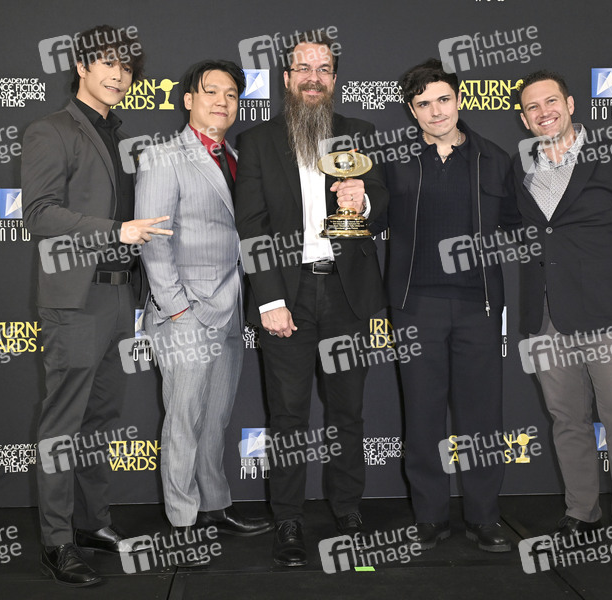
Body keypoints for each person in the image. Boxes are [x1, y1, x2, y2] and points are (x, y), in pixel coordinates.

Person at [22, 25, 170, 587]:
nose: (118, 75)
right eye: (107, 63)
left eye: (126, 67)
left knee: (101, 420)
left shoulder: (118, 134)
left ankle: (92, 522)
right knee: (63, 425)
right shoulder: (51, 129)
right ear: (82, 66)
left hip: (117, 294)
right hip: (75, 301)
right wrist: (115, 231)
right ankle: (57, 542)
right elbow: (39, 213)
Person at [513, 70, 612, 574]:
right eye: (532, 107)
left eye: (551, 102)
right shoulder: (520, 166)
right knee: (567, 421)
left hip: (611, 313)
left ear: (570, 104)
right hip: (547, 316)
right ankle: (581, 513)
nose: (543, 112)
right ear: (524, 118)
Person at [234, 30, 388, 567]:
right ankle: (289, 518)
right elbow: (251, 226)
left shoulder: (361, 133)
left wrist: (362, 202)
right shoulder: (257, 141)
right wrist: (268, 300)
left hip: (347, 294)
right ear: (287, 78)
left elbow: (383, 207)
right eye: (303, 68)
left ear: (334, 79)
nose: (313, 78)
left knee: (348, 411)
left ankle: (347, 509)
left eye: (323, 69)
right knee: (288, 415)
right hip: (288, 294)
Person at [134, 59, 273, 567]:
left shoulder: (235, 157)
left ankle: (215, 505)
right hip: (186, 312)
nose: (222, 101)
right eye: (211, 91)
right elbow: (153, 239)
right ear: (188, 99)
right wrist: (175, 309)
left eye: (231, 94)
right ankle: (182, 524)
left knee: (215, 418)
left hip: (230, 309)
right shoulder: (163, 156)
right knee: (184, 421)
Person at [384, 59, 519, 553]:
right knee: (422, 418)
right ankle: (430, 517)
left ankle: (484, 516)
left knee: (481, 416)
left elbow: (517, 224)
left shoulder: (494, 159)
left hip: (477, 307)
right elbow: (371, 218)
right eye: (423, 103)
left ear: (458, 100)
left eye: (443, 99)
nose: (436, 110)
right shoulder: (395, 160)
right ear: (411, 110)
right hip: (415, 304)